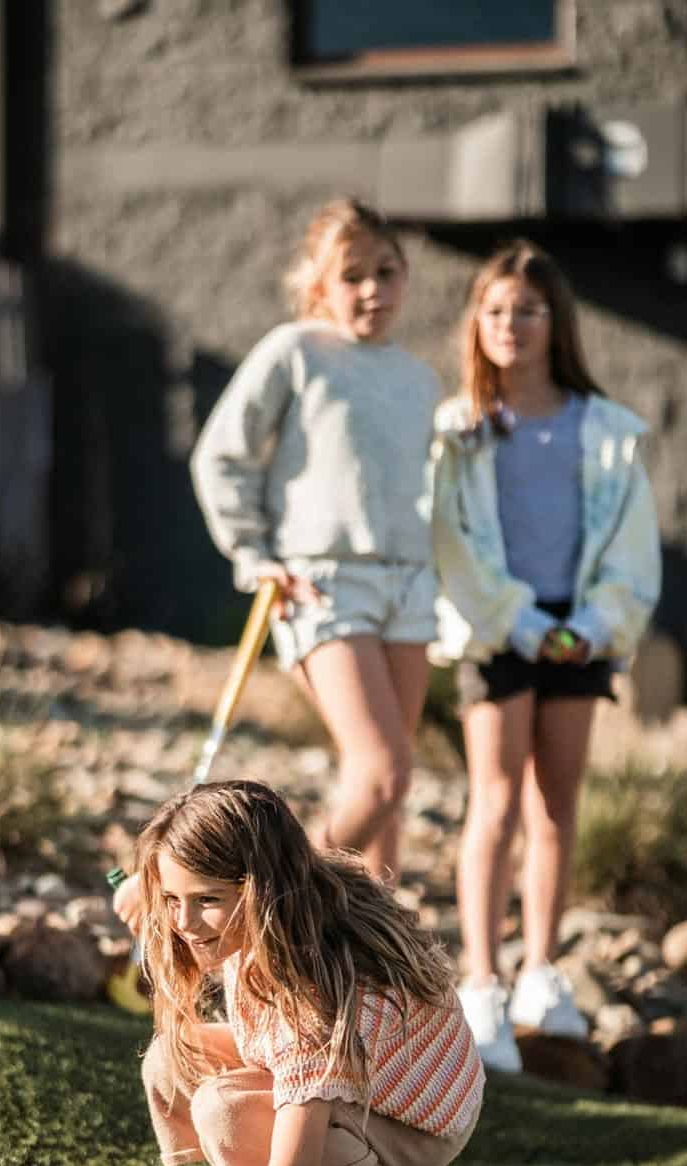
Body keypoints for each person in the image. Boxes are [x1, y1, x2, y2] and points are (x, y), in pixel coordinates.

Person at [103, 780, 484, 1166]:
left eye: (207, 900)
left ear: (261, 889)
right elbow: (189, 899)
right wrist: (157, 885)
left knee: (227, 1112)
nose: (183, 922)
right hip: (369, 1084)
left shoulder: (310, 991)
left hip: (419, 1121)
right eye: (171, 899)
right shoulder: (296, 901)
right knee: (172, 1057)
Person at [429, 240, 661, 1072]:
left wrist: (592, 624)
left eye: (527, 310)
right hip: (497, 631)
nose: (510, 325)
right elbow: (452, 544)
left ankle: (540, 974)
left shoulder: (603, 431)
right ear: (476, 323)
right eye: (494, 310)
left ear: (554, 322)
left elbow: (633, 548)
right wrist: (520, 621)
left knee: (554, 804)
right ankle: (482, 985)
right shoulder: (459, 433)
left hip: (579, 631)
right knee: (494, 800)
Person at [189, 197, 443, 885]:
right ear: (320, 284)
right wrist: (255, 553)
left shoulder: (422, 381)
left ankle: (368, 968)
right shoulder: (295, 350)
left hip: (410, 588)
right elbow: (221, 455)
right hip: (323, 584)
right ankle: (270, 913)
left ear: (406, 276)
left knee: (386, 799)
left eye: (386, 271)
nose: (372, 289)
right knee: (383, 774)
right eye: (352, 275)